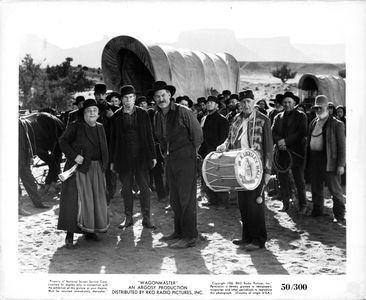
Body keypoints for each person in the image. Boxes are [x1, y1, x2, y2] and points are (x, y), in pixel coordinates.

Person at [216, 91, 273, 251]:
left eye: (249, 101)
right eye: (243, 102)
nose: (246, 105)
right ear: (239, 104)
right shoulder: (236, 118)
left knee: (255, 203)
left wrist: (268, 171)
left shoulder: (263, 120)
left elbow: (269, 147)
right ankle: (247, 236)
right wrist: (223, 146)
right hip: (240, 166)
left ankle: (259, 239)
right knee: (243, 203)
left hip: (256, 166)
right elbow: (230, 138)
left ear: (253, 102)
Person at [152, 81, 203, 249]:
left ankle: (190, 236)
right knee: (174, 198)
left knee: (186, 198)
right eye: (158, 96)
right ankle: (179, 231)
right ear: (154, 99)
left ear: (170, 96)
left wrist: (189, 154)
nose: (161, 99)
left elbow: (197, 136)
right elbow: (160, 138)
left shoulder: (183, 111)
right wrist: (166, 155)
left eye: (164, 95)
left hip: (186, 158)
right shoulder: (158, 115)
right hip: (170, 159)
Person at [58, 98, 109, 248]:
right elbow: (62, 141)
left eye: (95, 111)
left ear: (98, 114)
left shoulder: (100, 127)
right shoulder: (75, 126)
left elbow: (104, 148)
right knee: (74, 201)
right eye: (89, 111)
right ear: (84, 113)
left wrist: (104, 166)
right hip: (78, 168)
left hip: (96, 168)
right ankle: (69, 235)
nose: (92, 113)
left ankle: (90, 231)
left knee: (93, 200)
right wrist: (74, 155)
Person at [109, 85, 157, 229]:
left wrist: (153, 156)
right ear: (121, 99)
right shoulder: (116, 116)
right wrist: (112, 160)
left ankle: (146, 218)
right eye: (125, 98)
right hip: (123, 158)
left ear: (135, 98)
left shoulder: (143, 114)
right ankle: (128, 218)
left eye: (130, 97)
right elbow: (112, 140)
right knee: (126, 189)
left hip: (141, 157)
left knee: (145, 188)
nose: (128, 101)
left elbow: (150, 135)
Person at [306, 95, 346, 223]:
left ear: (328, 108)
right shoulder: (313, 122)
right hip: (314, 159)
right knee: (316, 186)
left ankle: (339, 215)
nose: (318, 110)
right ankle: (318, 211)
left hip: (330, 160)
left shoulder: (337, 124)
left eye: (320, 108)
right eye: (316, 108)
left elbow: (342, 146)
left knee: (335, 189)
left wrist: (341, 164)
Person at [272, 91, 308, 213]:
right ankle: (285, 203)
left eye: (289, 102)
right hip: (282, 154)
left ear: (294, 103)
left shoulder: (301, 116)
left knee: (299, 180)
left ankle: (303, 205)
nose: (287, 104)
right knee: (282, 180)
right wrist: (279, 141)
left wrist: (285, 141)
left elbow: (301, 132)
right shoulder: (278, 117)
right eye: (285, 102)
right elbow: (273, 132)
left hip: (296, 154)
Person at [198, 96, 229, 207]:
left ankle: (223, 200)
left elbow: (224, 138)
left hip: (216, 153)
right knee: (206, 175)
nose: (209, 104)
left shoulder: (222, 119)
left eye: (212, 102)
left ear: (217, 105)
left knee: (219, 176)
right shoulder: (204, 118)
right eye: (208, 103)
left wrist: (220, 152)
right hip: (204, 152)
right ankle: (211, 199)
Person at [19, 120, 49, 211]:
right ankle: (18, 208)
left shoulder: (22, 123)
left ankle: (38, 203)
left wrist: (31, 155)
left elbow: (27, 141)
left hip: (24, 159)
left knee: (30, 182)